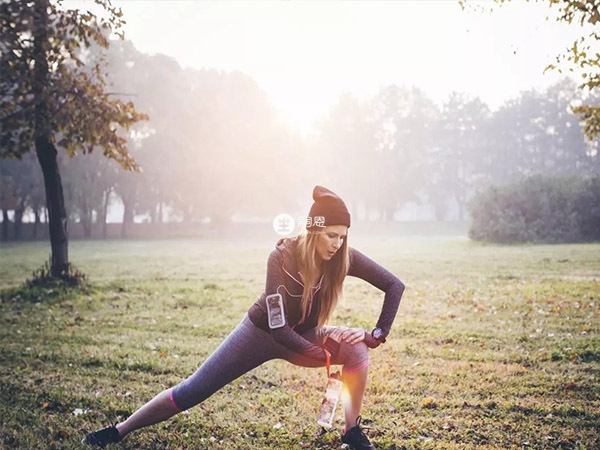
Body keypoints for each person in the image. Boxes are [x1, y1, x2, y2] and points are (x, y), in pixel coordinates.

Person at [83, 185, 405, 450]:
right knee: (192, 390)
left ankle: (351, 432)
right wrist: (320, 353)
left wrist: (376, 334)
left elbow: (394, 285)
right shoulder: (282, 257)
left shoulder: (343, 258)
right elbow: (278, 328)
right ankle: (120, 430)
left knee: (356, 350)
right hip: (258, 335)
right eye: (331, 235)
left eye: (342, 236)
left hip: (304, 338)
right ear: (314, 229)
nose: (337, 243)